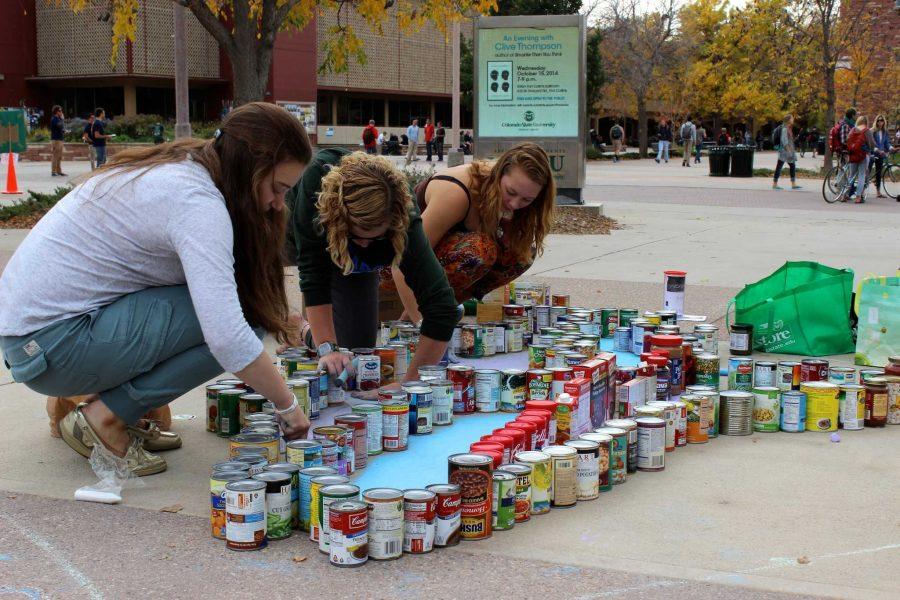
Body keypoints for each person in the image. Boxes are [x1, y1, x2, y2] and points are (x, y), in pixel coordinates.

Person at [0, 102, 313, 475]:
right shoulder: (197, 203)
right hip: (51, 347)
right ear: (250, 168)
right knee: (245, 318)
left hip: (39, 339)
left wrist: (286, 317)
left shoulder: (186, 167)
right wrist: (288, 407)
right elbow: (227, 335)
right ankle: (104, 419)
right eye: (277, 188)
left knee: (244, 311)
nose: (277, 204)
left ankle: (107, 409)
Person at [286, 150, 458, 383]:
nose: (366, 245)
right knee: (334, 355)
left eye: (375, 238)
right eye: (359, 237)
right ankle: (294, 326)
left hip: (354, 236)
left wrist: (408, 383)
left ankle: (301, 332)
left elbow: (442, 308)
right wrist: (327, 347)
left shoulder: (402, 213)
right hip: (294, 230)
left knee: (355, 352)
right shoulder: (315, 188)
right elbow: (313, 276)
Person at [381, 143, 556, 321]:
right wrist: (425, 326)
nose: (514, 204)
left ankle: (441, 308)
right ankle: (430, 314)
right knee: (479, 250)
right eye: (510, 192)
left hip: (426, 265)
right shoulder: (455, 194)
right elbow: (401, 262)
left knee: (521, 253)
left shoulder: (507, 197)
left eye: (527, 199)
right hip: (384, 263)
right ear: (498, 173)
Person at [845, 115, 877, 203]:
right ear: (866, 122)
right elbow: (872, 144)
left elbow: (847, 140)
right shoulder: (867, 131)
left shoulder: (853, 130)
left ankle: (845, 194)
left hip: (852, 154)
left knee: (851, 175)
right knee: (861, 175)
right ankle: (858, 197)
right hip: (863, 155)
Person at [773, 114, 801, 191]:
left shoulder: (788, 128)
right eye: (792, 118)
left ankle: (793, 184)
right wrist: (789, 151)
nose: (793, 120)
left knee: (792, 166)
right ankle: (775, 184)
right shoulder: (785, 128)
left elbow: (788, 140)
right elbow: (784, 141)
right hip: (784, 151)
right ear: (788, 120)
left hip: (787, 151)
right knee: (779, 166)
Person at [870, 115, 893, 199]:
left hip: (881, 154)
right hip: (872, 154)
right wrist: (877, 150)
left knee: (879, 173)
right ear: (876, 121)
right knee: (867, 172)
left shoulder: (885, 132)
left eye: (882, 120)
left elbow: (887, 143)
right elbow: (871, 144)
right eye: (878, 120)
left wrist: (891, 148)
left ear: (884, 122)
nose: (880, 122)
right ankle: (861, 192)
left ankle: (878, 192)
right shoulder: (872, 131)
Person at [49, 105, 66, 177]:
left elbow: (61, 128)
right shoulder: (54, 119)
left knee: (59, 156)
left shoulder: (58, 119)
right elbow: (59, 125)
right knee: (55, 156)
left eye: (61, 111)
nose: (61, 112)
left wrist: (64, 131)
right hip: (56, 140)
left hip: (60, 139)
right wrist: (62, 119)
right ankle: (53, 171)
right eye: (60, 111)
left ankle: (59, 171)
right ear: (56, 112)